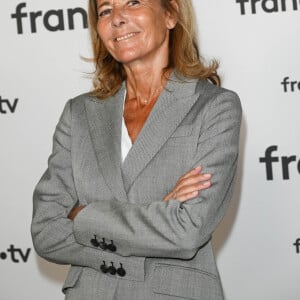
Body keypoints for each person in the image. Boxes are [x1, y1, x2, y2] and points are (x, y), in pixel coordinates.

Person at [31, 0, 242, 299]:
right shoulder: (78, 114)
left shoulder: (214, 106)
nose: (117, 18)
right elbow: (46, 232)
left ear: (171, 14)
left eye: (133, 2)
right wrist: (161, 213)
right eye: (105, 10)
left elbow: (187, 231)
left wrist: (82, 215)